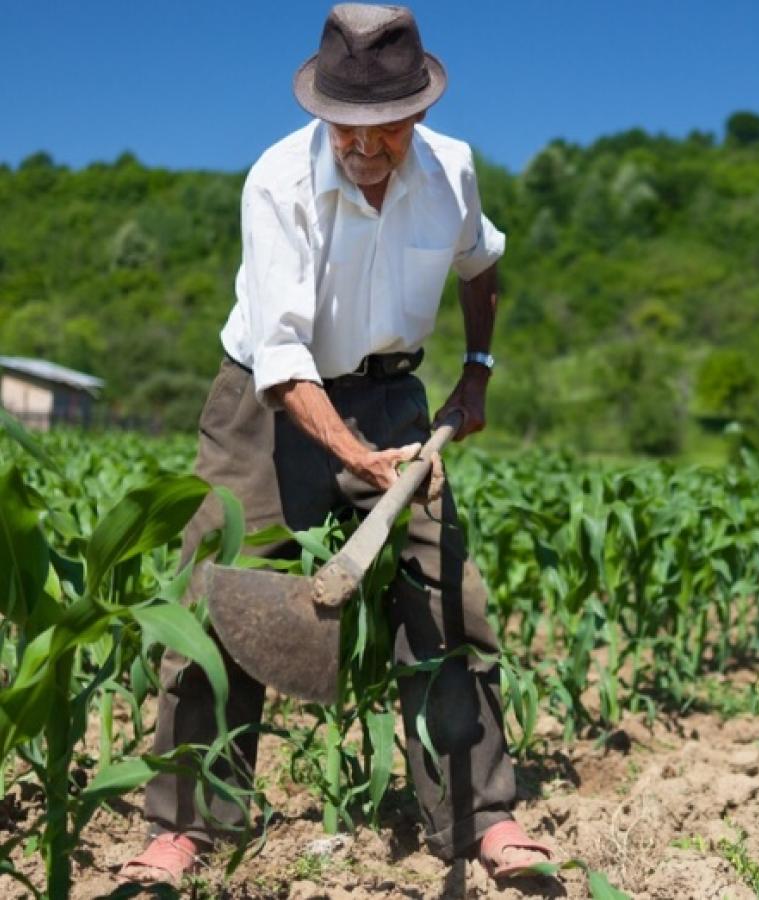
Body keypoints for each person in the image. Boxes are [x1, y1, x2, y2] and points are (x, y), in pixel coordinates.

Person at [119, 4, 551, 886]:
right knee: (212, 590)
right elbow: (282, 360)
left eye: (380, 128)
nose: (358, 146)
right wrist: (354, 459)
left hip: (395, 397)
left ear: (416, 112)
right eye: (341, 126)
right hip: (265, 403)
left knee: (445, 593)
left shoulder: (454, 172)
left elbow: (481, 262)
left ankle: (477, 814)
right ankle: (190, 821)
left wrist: (477, 369)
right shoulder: (277, 182)